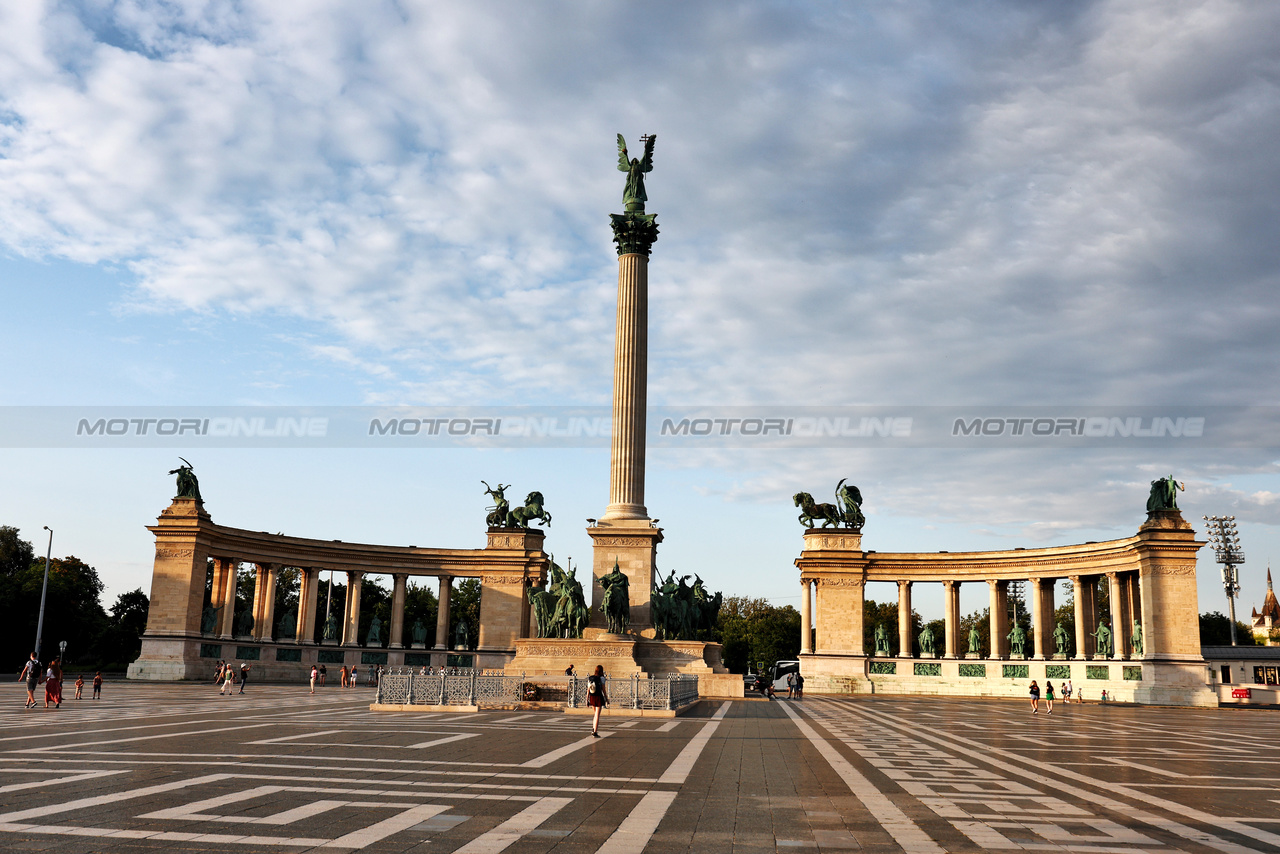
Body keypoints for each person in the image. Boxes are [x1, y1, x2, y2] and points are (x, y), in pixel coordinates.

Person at [586, 664, 609, 737]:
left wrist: (587, 700)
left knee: (595, 714)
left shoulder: (591, 678)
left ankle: (593, 729)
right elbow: (603, 690)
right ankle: (595, 731)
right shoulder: (602, 678)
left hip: (592, 697)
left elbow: (588, 690)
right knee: (597, 715)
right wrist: (606, 698)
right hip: (598, 697)